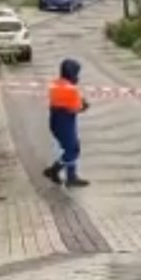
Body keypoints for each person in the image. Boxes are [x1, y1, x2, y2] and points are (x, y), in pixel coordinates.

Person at [42, 59, 91, 187]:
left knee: (71, 147)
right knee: (72, 149)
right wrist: (84, 106)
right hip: (66, 122)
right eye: (76, 73)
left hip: (55, 121)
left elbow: (60, 99)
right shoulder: (71, 89)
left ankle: (69, 175)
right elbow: (75, 108)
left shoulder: (55, 84)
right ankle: (57, 171)